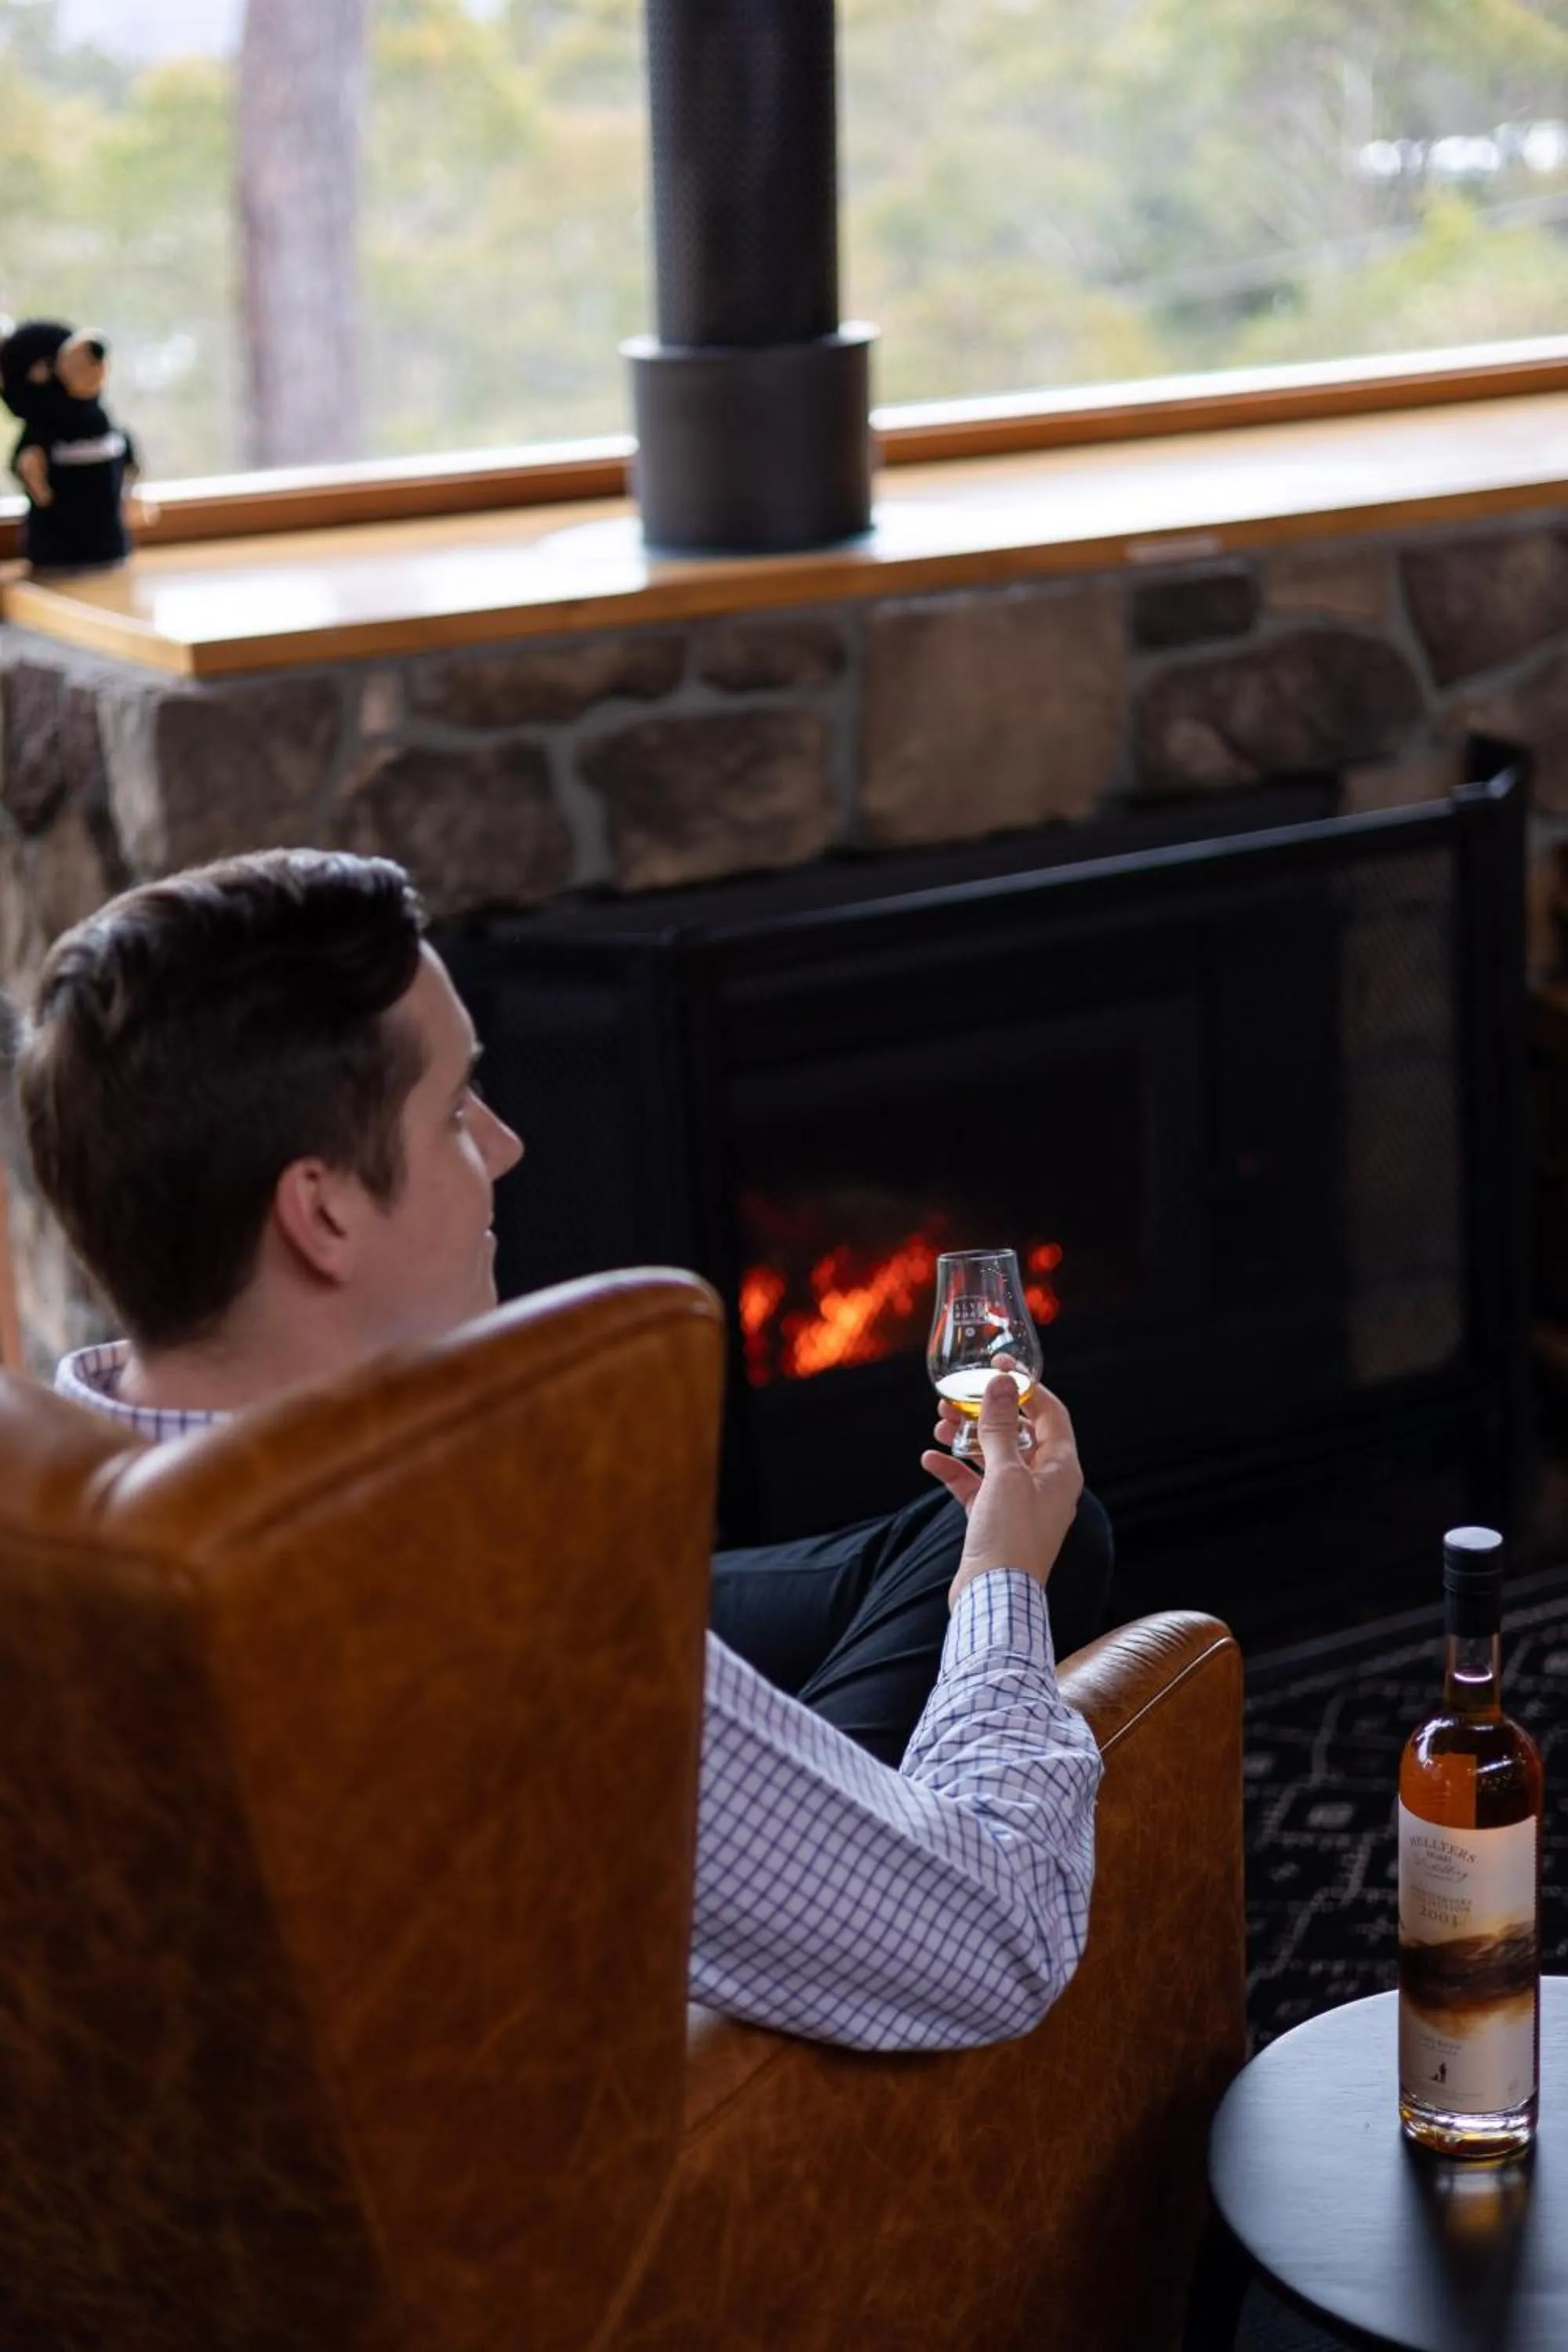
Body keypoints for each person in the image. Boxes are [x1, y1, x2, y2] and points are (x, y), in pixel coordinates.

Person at [13, 848, 1107, 2050]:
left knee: (933, 1541)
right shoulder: (507, 1637)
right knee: (1006, 1554)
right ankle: (856, 1825)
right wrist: (1004, 1583)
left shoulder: (46, 1514)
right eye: (454, 1110)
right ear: (320, 1212)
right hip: (649, 2099)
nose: (508, 1143)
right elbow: (1007, 1934)